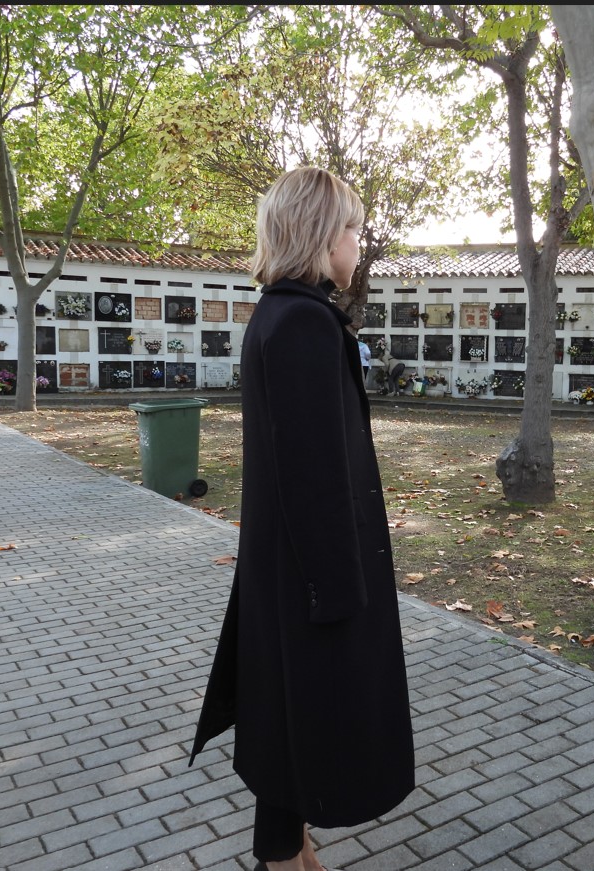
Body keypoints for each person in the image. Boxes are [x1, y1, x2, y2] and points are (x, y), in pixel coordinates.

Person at [189, 167, 414, 871]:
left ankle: (286, 847)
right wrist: (338, 589)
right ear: (321, 236)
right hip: (309, 572)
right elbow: (315, 476)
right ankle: (283, 857)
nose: (357, 242)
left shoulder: (281, 316)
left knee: (283, 713)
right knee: (302, 715)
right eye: (351, 228)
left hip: (285, 568)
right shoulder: (303, 327)